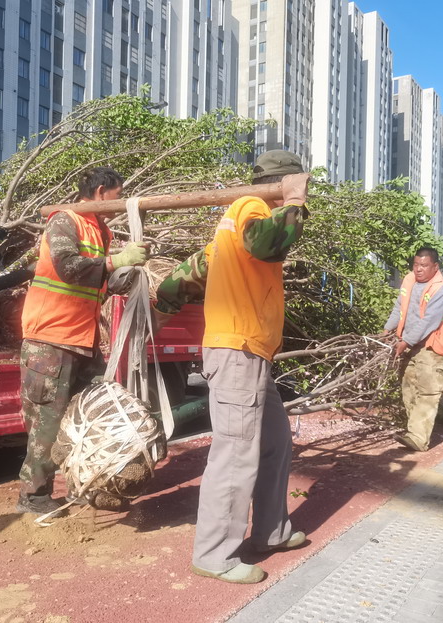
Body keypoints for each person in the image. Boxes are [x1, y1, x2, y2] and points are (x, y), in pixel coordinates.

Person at [152, 150, 310, 584]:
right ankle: (214, 555)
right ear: (284, 181)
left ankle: (271, 530)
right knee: (236, 453)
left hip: (252, 352)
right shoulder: (250, 207)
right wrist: (296, 202)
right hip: (238, 351)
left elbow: (193, 269)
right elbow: (266, 243)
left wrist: (162, 306)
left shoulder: (230, 229)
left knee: (275, 442)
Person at [16, 167, 151, 514]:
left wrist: (118, 276)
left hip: (82, 338)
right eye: (118, 195)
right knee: (48, 422)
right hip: (51, 339)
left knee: (93, 415)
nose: (120, 202)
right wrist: (116, 261)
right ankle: (33, 497)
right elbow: (68, 267)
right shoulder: (65, 220)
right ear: (101, 191)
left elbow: (94, 280)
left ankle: (90, 482)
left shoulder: (100, 229)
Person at [383, 247, 443, 453]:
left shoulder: (441, 290)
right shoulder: (409, 281)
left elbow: (429, 321)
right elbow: (399, 308)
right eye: (416, 265)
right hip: (410, 344)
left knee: (427, 391)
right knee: (409, 388)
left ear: (435, 267)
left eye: (424, 265)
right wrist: (387, 329)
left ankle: (418, 438)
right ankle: (414, 432)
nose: (418, 269)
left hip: (431, 346)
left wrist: (405, 341)